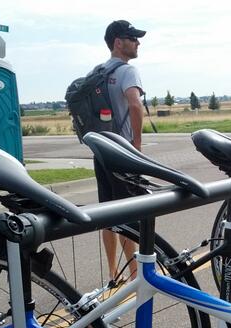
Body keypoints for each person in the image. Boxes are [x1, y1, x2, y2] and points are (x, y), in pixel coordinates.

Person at [94, 20, 146, 279]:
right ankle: (135, 271)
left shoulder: (99, 71)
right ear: (118, 42)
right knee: (126, 211)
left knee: (106, 212)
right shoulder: (128, 71)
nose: (138, 42)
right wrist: (136, 146)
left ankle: (113, 272)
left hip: (101, 150)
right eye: (132, 38)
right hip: (122, 152)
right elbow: (135, 106)